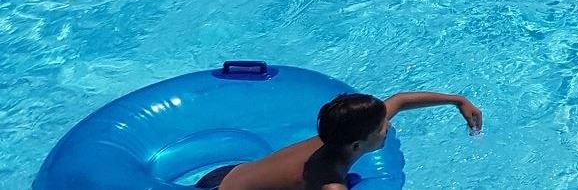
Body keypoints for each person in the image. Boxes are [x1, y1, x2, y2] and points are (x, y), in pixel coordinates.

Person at [192, 87, 483, 190]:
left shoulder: (338, 133)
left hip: (225, 174)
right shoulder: (330, 181)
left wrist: (457, 100)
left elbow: (400, 100)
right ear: (357, 145)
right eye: (382, 128)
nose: (388, 128)